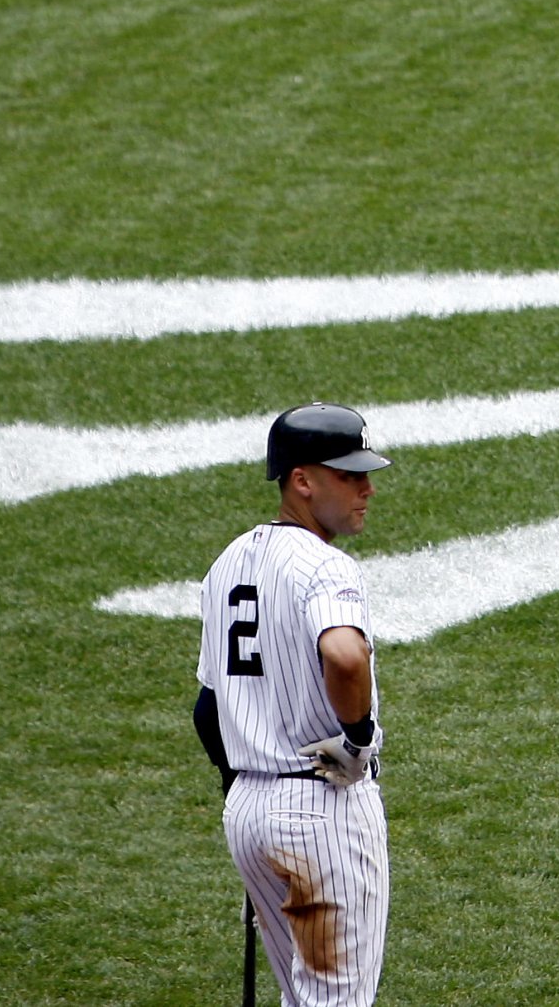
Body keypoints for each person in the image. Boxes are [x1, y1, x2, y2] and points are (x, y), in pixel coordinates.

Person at [192, 402, 394, 1006]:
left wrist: (246, 797)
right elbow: (345, 656)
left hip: (249, 812)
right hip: (320, 814)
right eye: (348, 475)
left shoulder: (227, 563)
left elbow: (209, 708)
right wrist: (357, 740)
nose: (367, 489)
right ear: (301, 481)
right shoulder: (326, 567)